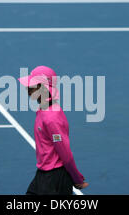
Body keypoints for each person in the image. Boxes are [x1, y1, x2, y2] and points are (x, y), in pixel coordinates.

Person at [19, 66, 88, 195]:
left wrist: (76, 177)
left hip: (55, 179)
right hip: (43, 174)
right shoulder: (43, 111)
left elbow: (65, 153)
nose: (27, 89)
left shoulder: (52, 118)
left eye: (32, 86)